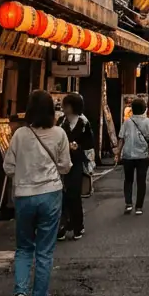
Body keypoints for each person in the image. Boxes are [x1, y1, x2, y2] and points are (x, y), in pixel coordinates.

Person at [3, 90, 71, 296]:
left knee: (23, 248)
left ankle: (20, 295)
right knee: (44, 252)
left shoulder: (20, 134)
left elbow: (8, 167)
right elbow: (65, 166)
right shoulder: (59, 134)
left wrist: (24, 172)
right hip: (50, 194)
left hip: (24, 194)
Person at [57, 92, 94, 240]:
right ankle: (64, 225)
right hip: (61, 162)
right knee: (61, 194)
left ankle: (77, 225)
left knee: (73, 193)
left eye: (67, 105)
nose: (64, 108)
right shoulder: (61, 121)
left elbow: (89, 144)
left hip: (77, 162)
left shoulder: (83, 122)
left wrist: (78, 147)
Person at [115, 97, 149, 214]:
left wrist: (118, 153)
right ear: (144, 109)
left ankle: (128, 203)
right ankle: (139, 206)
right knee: (141, 180)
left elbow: (121, 138)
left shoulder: (127, 122)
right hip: (142, 155)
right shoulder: (147, 122)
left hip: (128, 155)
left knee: (128, 180)